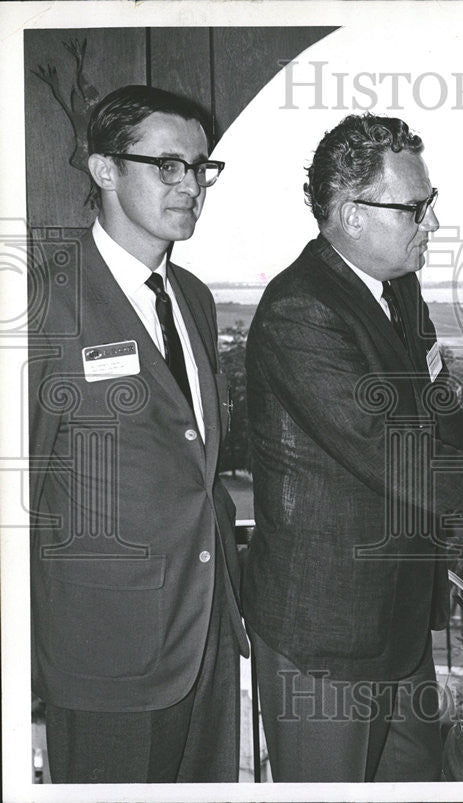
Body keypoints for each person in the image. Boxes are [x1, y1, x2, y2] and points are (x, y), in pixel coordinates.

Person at [241, 113, 463, 782]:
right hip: (326, 633)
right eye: (416, 207)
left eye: (429, 203)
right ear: (352, 214)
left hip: (400, 625)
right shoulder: (301, 310)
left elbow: (440, 405)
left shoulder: (398, 291)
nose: (432, 223)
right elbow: (390, 450)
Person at [28, 85, 248, 783]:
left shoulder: (195, 299)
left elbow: (193, 460)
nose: (191, 186)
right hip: (103, 653)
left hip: (206, 636)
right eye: (168, 166)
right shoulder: (44, 301)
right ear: (104, 170)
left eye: (201, 168)